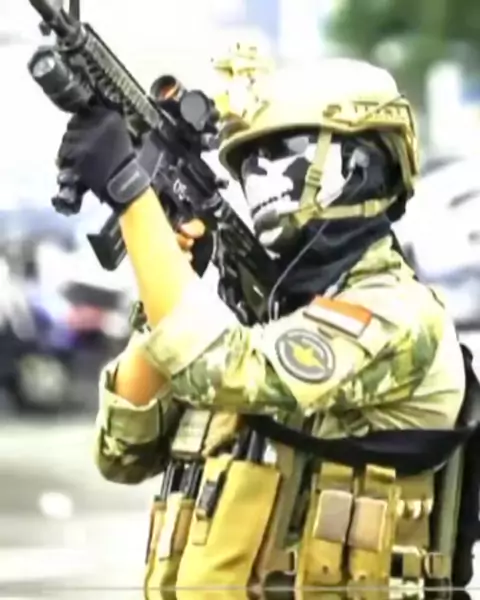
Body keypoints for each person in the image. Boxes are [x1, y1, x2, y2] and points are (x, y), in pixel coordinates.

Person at [55, 55, 466, 589]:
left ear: (363, 164)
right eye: (249, 161)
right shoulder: (265, 318)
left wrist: (130, 194)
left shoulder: (401, 314)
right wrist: (167, 278)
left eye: (284, 150)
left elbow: (225, 368)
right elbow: (122, 452)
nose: (262, 175)